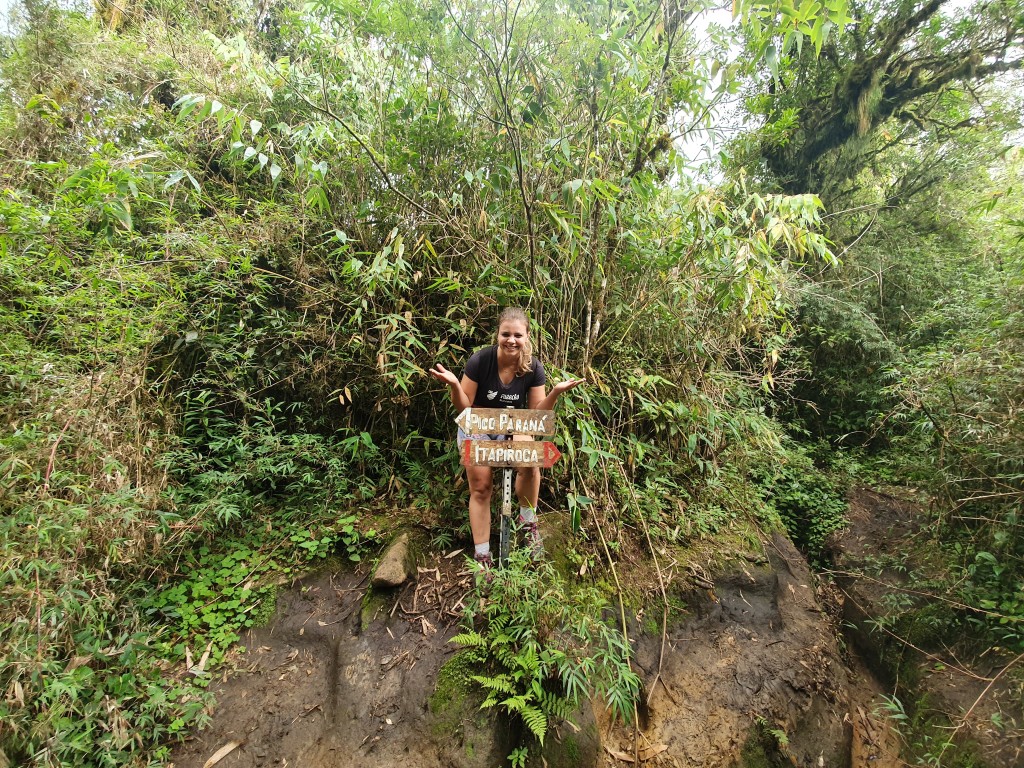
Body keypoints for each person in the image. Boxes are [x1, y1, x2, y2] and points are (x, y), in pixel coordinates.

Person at [429, 307, 584, 567]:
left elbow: (535, 415)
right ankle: (482, 555)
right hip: (477, 421)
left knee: (531, 460)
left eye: (518, 335)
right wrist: (455, 385)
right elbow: (464, 408)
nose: (511, 340)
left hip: (513, 422)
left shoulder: (533, 367)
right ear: (497, 335)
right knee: (481, 486)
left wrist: (555, 392)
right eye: (506, 334)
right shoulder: (481, 361)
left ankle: (527, 522)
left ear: (526, 337)